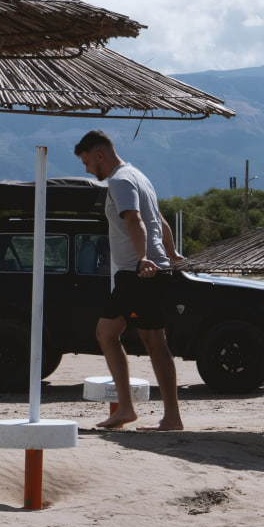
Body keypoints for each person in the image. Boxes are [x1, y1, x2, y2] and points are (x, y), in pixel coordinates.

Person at [74, 129, 185, 431]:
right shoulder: (138, 175)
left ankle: (166, 417)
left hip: (139, 273)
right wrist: (171, 252)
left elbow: (135, 219)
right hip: (140, 271)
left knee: (152, 341)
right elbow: (159, 218)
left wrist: (142, 259)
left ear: (100, 155)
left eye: (86, 162)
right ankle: (127, 408)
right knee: (109, 333)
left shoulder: (121, 180)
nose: (86, 169)